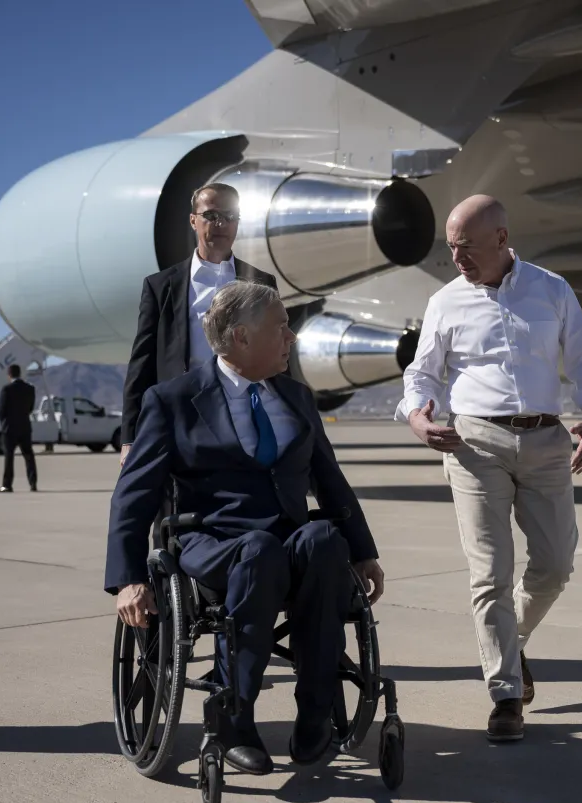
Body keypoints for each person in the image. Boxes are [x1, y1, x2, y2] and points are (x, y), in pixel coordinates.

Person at [106, 281, 384, 774]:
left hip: (287, 541)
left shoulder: (296, 397)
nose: (290, 337)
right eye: (280, 326)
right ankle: (233, 718)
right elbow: (135, 493)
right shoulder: (174, 400)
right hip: (213, 543)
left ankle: (316, 711)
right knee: (257, 550)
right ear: (240, 337)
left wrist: (363, 550)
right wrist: (129, 579)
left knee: (324, 541)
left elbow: (330, 480)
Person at [395, 194, 582, 742]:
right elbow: (420, 375)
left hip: (546, 442)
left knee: (556, 565)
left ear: (501, 238)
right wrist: (418, 419)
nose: (457, 256)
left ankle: (509, 649)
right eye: (451, 246)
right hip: (474, 445)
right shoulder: (445, 302)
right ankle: (505, 695)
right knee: (489, 574)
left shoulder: (551, 289)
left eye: (466, 245)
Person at [119, 182, 277, 466]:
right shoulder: (161, 287)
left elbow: (276, 354)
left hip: (245, 417)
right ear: (193, 220)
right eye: (211, 215)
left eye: (230, 216)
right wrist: (130, 437)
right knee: (179, 506)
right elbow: (142, 362)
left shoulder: (262, 283)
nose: (221, 224)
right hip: (182, 418)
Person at [0, 363, 38, 493]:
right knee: (29, 456)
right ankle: (33, 483)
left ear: (9, 375)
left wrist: (4, 423)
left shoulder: (7, 389)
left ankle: (7, 485)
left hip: (10, 428)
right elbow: (30, 408)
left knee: (9, 457)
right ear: (20, 374)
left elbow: (1, 409)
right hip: (25, 426)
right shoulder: (30, 389)